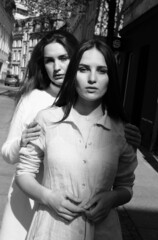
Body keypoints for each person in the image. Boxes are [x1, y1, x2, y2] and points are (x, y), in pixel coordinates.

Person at [0, 30, 140, 240]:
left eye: (102, 71)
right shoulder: (41, 111)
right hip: (45, 221)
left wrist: (112, 198)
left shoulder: (119, 130)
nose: (92, 78)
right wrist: (24, 141)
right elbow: (17, 164)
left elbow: (125, 185)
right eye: (83, 69)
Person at [0, 29, 79, 240]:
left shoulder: (87, 102)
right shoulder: (33, 98)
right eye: (49, 61)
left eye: (63, 58)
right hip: (24, 204)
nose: (57, 67)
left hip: (64, 206)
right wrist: (21, 141)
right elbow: (7, 153)